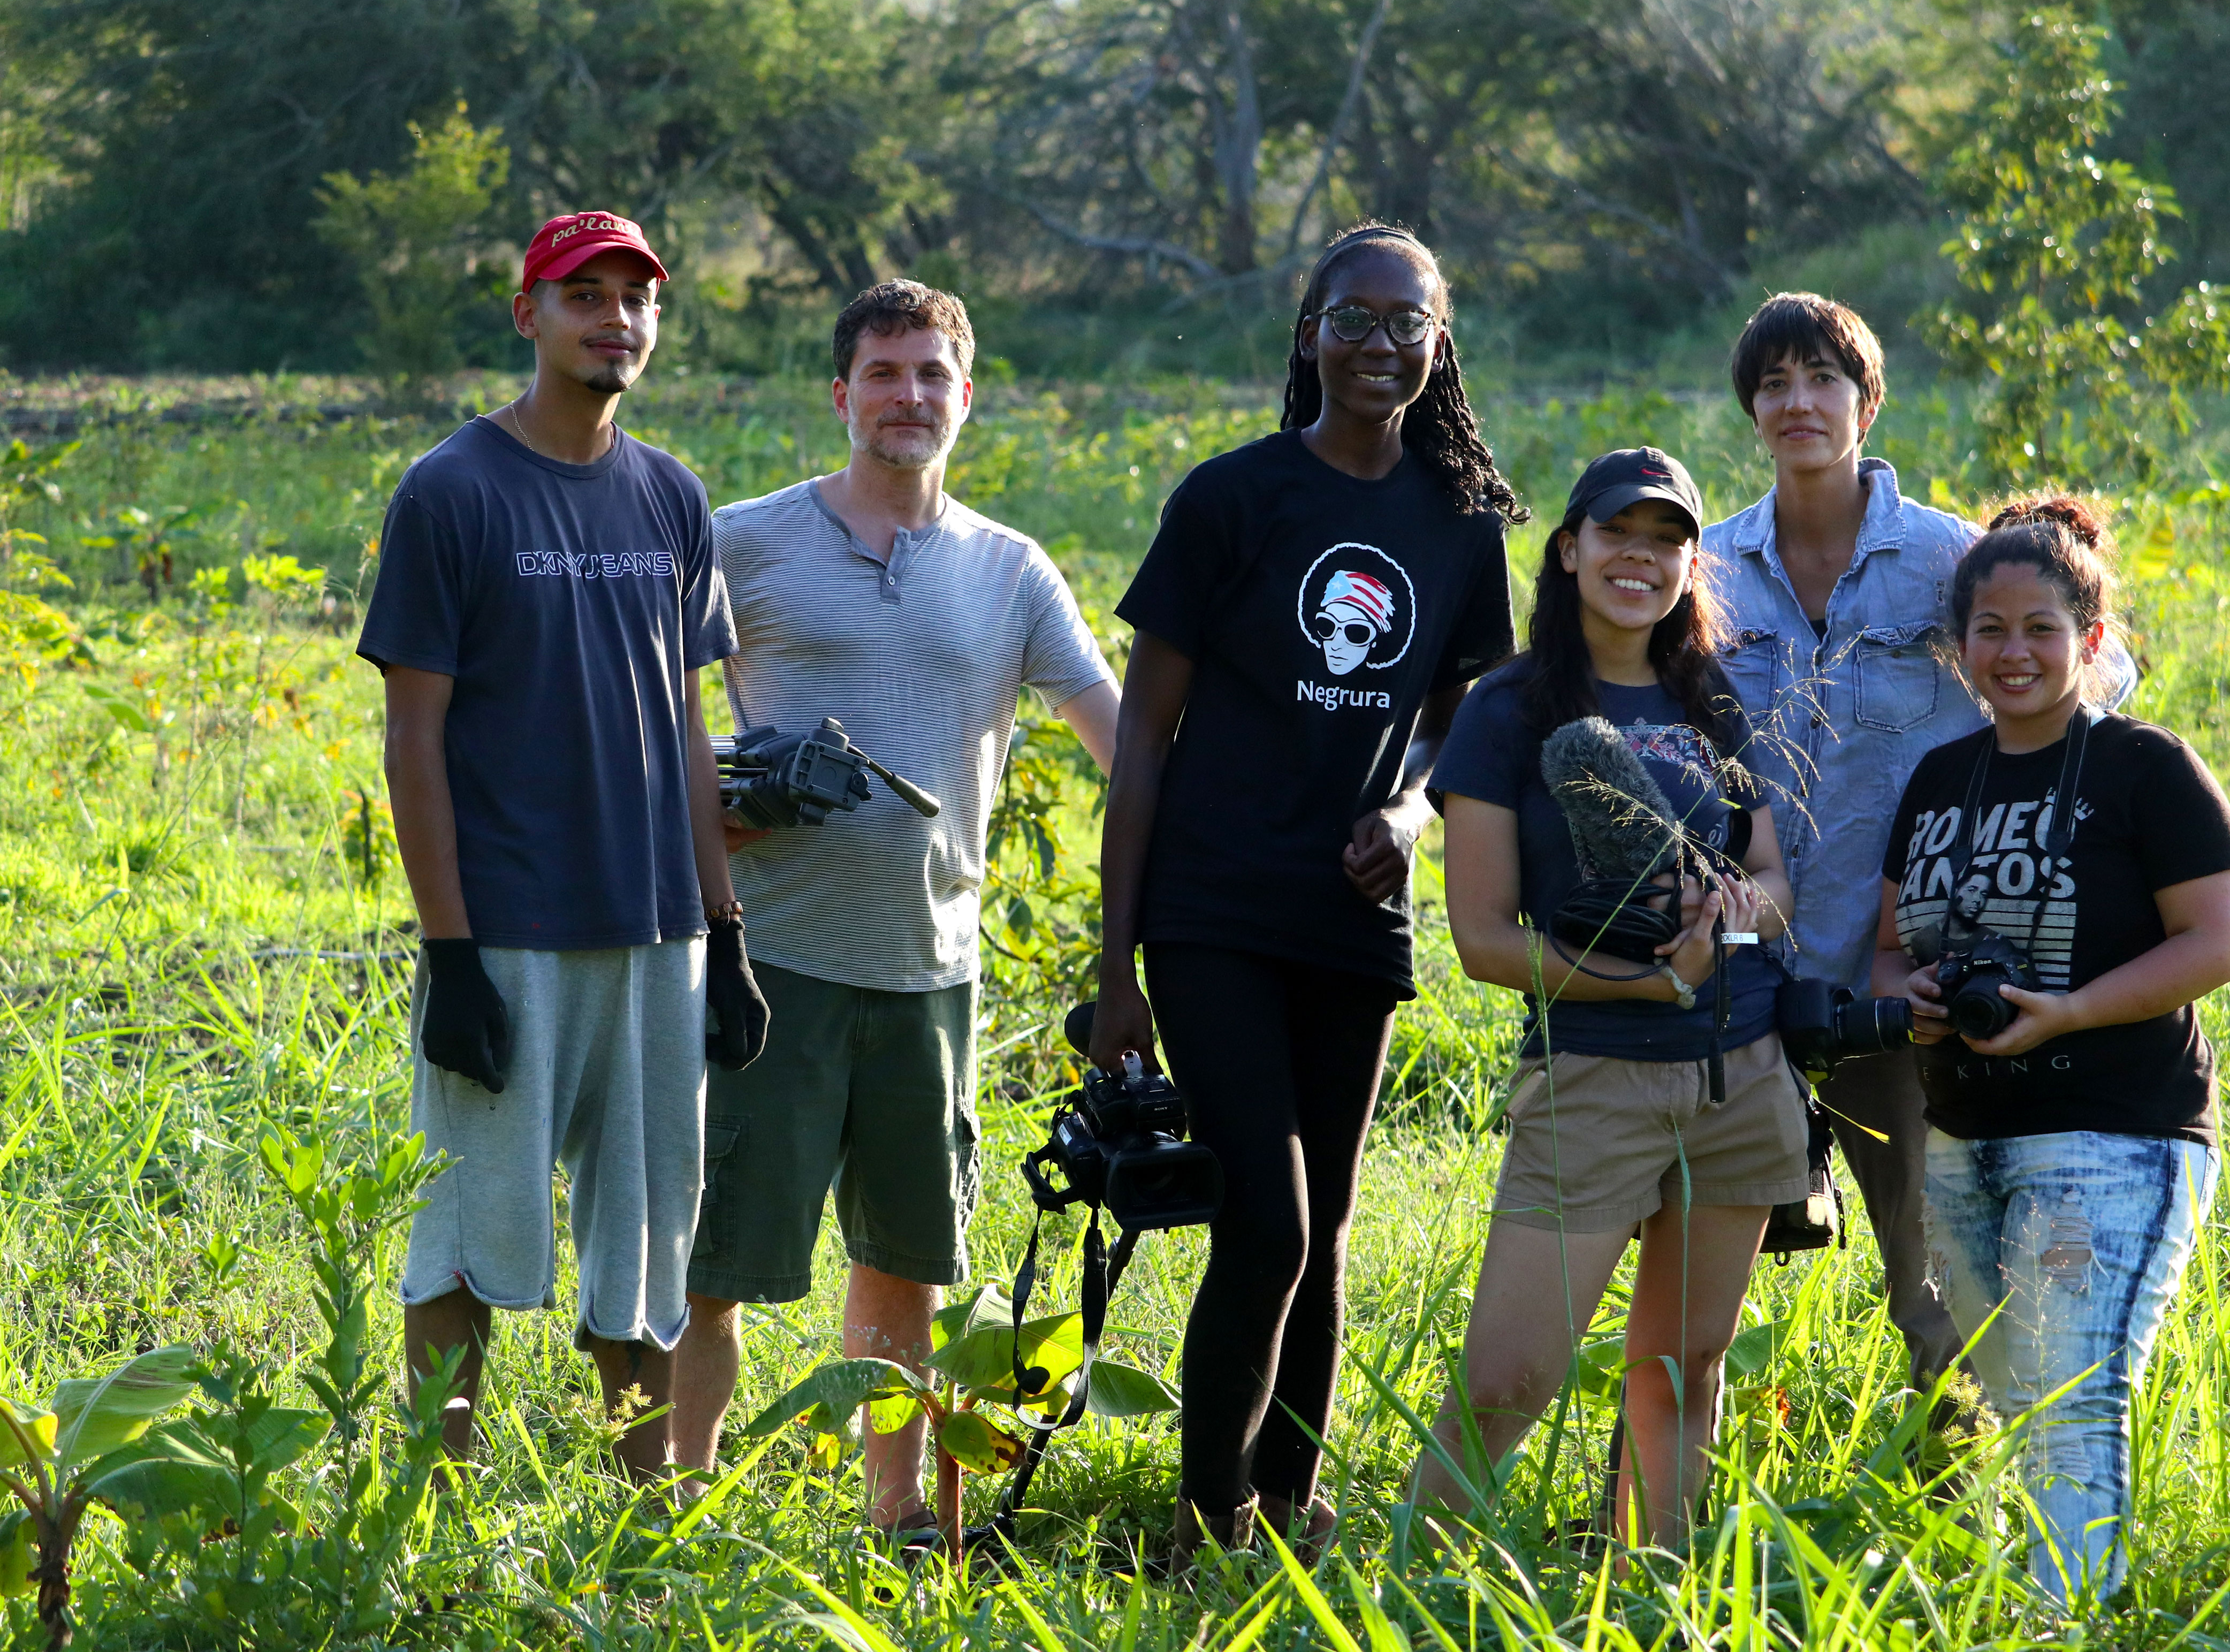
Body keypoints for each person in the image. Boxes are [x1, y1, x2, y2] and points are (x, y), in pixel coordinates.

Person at [1091, 222, 1525, 1565]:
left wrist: (1408, 807)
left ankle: (1285, 1507)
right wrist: (1116, 973)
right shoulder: (1229, 498)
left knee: (1326, 1225)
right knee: (1264, 1216)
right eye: (1355, 317)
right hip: (1212, 905)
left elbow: (1470, 715)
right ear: (1309, 331)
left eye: (1409, 323)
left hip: (1354, 912)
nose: (1380, 344)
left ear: (1438, 342)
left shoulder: (1458, 525)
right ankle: (1198, 1513)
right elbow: (1142, 740)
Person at [665, 282, 1119, 1535]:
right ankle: (674, 1507)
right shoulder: (744, 541)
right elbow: (637, 714)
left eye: (932, 374)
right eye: (884, 373)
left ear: (966, 397)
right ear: (841, 395)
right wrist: (726, 791)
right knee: (719, 1267)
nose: (908, 396)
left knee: (905, 1269)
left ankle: (899, 1513)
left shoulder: (1009, 569)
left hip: (932, 969)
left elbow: (1119, 744)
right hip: (768, 965)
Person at [358, 210, 767, 1482]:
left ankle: (637, 1509)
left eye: (635, 298)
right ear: (526, 314)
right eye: (582, 294)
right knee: (465, 1235)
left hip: (658, 933)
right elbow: (411, 738)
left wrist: (729, 927)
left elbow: (690, 726)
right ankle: (436, 1499)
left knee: (644, 1250)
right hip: (509, 930)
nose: (614, 319)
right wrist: (451, 954)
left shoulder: (671, 494)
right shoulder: (452, 489)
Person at [1697, 293, 2136, 1396]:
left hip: (1898, 976)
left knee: (1924, 1274)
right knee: (1696, 1268)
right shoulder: (1705, 569)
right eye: (1774, 384)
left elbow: (2097, 678)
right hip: (1738, 979)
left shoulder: (1946, 560)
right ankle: (1652, 1514)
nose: (1799, 403)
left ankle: (1959, 1491)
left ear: (1867, 399)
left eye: (1823, 379)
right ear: (1750, 408)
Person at [1410, 448, 1798, 1547]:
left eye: (1668, 539)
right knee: (1511, 1377)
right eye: (1617, 533)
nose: (1642, 556)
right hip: (1591, 1074)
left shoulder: (1708, 697)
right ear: (1569, 548)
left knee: (1681, 1370)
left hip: (1741, 1071)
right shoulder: (1510, 708)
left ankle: (1653, 1581)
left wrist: (1724, 914)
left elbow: (1772, 883)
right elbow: (1484, 937)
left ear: (1691, 564)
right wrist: (1642, 978)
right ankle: (1402, 1580)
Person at [1871, 498, 2230, 1604]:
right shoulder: (1941, 778)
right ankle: (2031, 1602)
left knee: (2077, 1393)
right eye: (1989, 628)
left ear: (2089, 640)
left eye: (2041, 628)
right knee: (2023, 1399)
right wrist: (1918, 1000)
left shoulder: (2145, 767)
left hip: (2113, 1135)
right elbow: (1887, 951)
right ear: (1959, 648)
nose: (2014, 651)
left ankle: (2062, 1621)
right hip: (1963, 1138)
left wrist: (2068, 1009)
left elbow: (2219, 942)